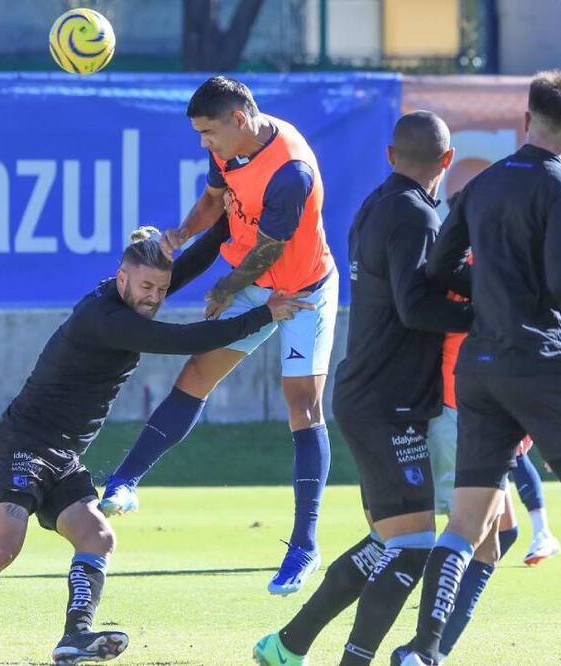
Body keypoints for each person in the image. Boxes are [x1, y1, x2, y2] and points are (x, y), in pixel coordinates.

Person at [0, 227, 312, 664]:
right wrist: (265, 314)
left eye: (161, 290)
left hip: (63, 458)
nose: (154, 297)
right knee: (4, 544)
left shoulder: (132, 298)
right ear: (121, 278)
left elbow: (191, 263)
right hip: (24, 444)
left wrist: (225, 217)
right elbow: (186, 340)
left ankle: (75, 637)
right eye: (146, 287)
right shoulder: (105, 319)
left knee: (97, 536)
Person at [396, 70, 561, 666]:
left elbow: (438, 267)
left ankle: (422, 652)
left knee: (464, 524)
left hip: (478, 368)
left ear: (524, 120)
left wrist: (491, 293)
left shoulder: (481, 185)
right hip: (537, 363)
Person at [100, 75, 340, 595]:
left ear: (239, 119)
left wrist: (225, 290)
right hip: (255, 283)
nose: (203, 143)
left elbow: (269, 250)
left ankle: (304, 545)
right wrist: (179, 236)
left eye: (208, 132)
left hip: (301, 291)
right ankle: (124, 481)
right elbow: (214, 201)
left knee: (303, 403)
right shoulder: (229, 148)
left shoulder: (290, 172)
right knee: (196, 375)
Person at [254, 110, 472, 665]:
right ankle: (355, 660)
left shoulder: (375, 206)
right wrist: (486, 311)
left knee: (384, 541)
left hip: (369, 393)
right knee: (414, 546)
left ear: (390, 156)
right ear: (446, 162)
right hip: (387, 403)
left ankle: (288, 645)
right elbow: (415, 307)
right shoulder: (415, 217)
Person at [427, 161, 561, 662]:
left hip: (469, 390)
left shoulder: (486, 252)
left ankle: (426, 651)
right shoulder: (536, 260)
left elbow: (436, 277)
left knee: (488, 534)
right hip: (456, 407)